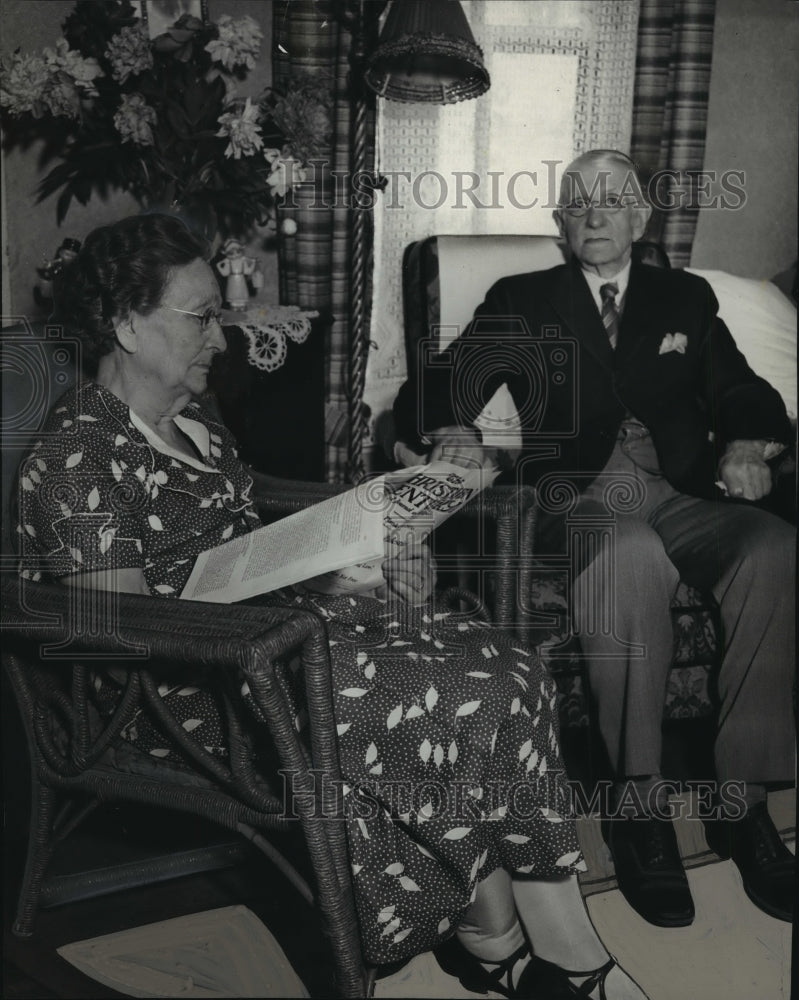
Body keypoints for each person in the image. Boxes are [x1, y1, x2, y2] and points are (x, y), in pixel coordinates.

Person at [18, 213, 649, 1000]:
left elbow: (245, 542)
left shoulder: (194, 425)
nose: (222, 337)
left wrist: (355, 560)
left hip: (274, 641)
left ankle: (523, 938)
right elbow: (116, 637)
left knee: (505, 665)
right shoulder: (77, 455)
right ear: (125, 324)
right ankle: (534, 949)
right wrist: (275, 605)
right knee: (445, 696)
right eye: (202, 316)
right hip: (186, 692)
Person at [394, 149, 796, 930]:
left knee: (775, 547)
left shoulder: (685, 297)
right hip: (578, 498)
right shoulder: (524, 297)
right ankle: (638, 813)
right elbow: (444, 380)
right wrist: (453, 427)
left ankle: (740, 806)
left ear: (640, 218)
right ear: (559, 222)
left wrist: (747, 444)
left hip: (679, 491)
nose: (593, 213)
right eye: (576, 202)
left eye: (612, 200)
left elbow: (742, 388)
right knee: (627, 558)